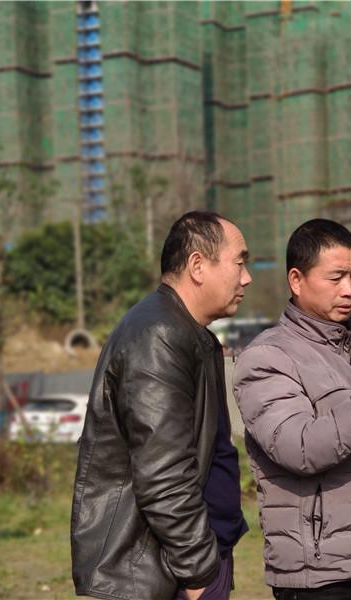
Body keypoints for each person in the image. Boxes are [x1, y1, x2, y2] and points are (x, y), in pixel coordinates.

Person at [233, 219, 351, 600]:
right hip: (323, 577)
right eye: (336, 277)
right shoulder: (267, 357)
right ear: (296, 280)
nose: (349, 290)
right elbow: (299, 449)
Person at [71, 211, 252, 600]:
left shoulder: (188, 332)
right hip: (160, 572)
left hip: (191, 558)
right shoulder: (159, 335)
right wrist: (199, 571)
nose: (247, 277)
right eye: (240, 262)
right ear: (198, 266)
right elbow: (163, 472)